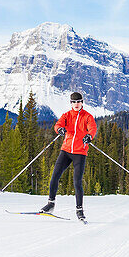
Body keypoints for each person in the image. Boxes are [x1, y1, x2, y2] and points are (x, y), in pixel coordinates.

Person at [40, 91, 97, 221]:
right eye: (74, 102)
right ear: (71, 103)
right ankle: (50, 204)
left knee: (77, 182)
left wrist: (89, 136)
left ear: (82, 102)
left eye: (78, 102)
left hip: (80, 153)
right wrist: (59, 129)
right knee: (55, 176)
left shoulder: (87, 116)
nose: (76, 104)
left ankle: (79, 210)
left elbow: (92, 128)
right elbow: (58, 124)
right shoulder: (67, 115)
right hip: (65, 151)